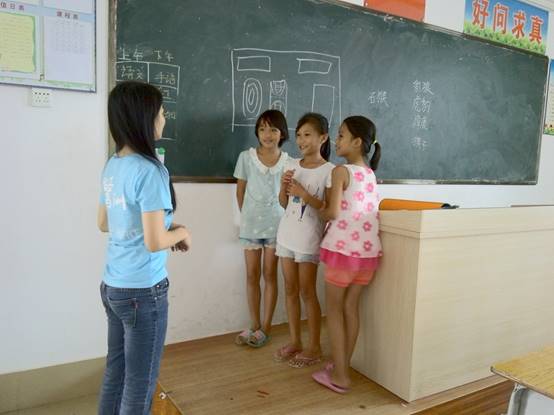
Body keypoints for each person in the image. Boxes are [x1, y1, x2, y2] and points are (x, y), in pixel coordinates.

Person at [97, 81, 191, 414]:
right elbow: (154, 242)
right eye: (161, 112)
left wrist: (167, 228)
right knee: (140, 384)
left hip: (113, 286)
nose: (164, 118)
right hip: (142, 291)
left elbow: (105, 222)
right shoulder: (151, 170)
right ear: (145, 117)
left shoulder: (114, 165)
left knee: (116, 373)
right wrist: (182, 232)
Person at [312, 116, 382, 394]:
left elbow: (332, 212)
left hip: (343, 252)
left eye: (341, 135)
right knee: (351, 308)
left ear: (357, 142)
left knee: (334, 311)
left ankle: (340, 376)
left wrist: (316, 207)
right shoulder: (370, 174)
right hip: (367, 255)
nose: (336, 140)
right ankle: (342, 366)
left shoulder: (341, 171)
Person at [274, 113, 335, 368]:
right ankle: (296, 341)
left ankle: (315, 347)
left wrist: (304, 194)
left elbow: (328, 211)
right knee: (290, 290)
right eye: (298, 135)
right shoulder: (292, 165)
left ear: (323, 138)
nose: (301, 140)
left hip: (308, 240)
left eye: (307, 134)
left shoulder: (330, 171)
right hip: (286, 236)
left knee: (307, 292)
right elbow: (284, 203)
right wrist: (283, 187)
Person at [233, 109, 289, 348]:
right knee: (252, 275)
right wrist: (248, 217)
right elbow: (240, 191)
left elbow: (287, 196)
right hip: (251, 226)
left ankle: (266, 327)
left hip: (277, 225)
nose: (267, 134)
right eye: (263, 129)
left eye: (273, 129)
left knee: (270, 274)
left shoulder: (289, 162)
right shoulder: (246, 157)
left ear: (282, 133)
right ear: (257, 132)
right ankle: (254, 324)